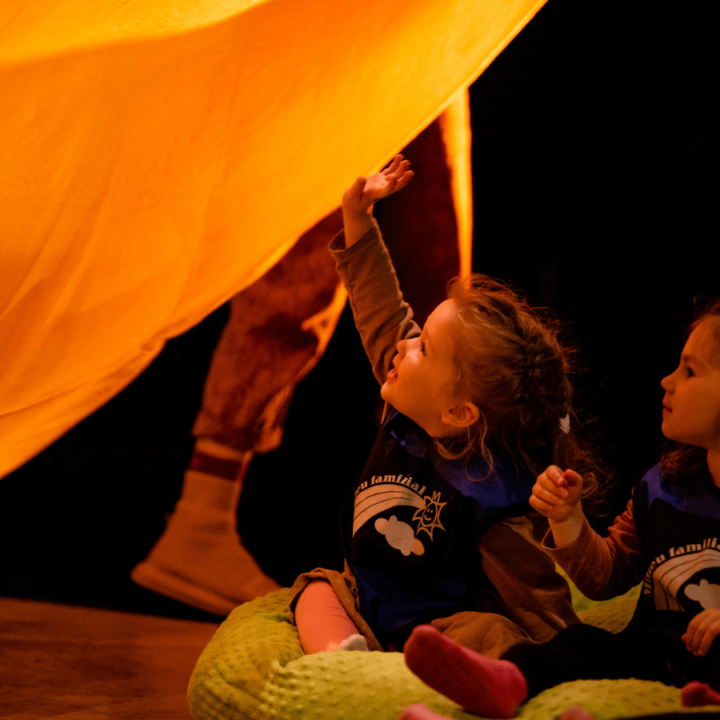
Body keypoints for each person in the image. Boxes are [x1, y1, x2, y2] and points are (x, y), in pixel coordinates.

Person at [130, 111, 470, 616]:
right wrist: (357, 223)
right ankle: (202, 514)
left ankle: (448, 529)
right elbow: (382, 316)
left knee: (439, 271)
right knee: (311, 238)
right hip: (356, 40)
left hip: (438, 34)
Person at [290, 155, 601, 659]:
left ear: (460, 412)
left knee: (491, 634)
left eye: (424, 347)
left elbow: (534, 591)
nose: (404, 346)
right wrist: (359, 219)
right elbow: (380, 307)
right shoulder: (409, 401)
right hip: (368, 597)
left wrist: (568, 653)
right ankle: (342, 661)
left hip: (442, 619)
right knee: (315, 588)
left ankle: (497, 679)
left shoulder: (492, 493)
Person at [399, 298, 720, 719]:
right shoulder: (662, 487)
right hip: (659, 654)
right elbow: (606, 577)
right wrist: (569, 520)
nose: (667, 380)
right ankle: (504, 683)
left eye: (690, 371)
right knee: (581, 643)